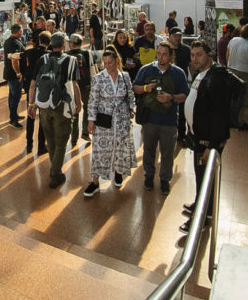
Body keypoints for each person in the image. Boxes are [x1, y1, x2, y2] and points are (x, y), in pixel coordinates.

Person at [180, 41, 233, 232]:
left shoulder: (216, 78)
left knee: (205, 179)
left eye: (199, 55)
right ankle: (200, 205)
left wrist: (212, 145)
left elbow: (220, 114)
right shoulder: (200, 73)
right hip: (199, 136)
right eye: (193, 55)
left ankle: (200, 219)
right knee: (200, 176)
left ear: (210, 55)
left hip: (208, 140)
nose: (195, 59)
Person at [27, 32, 81, 189]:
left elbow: (33, 84)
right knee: (62, 140)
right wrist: (79, 103)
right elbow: (74, 85)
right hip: (62, 106)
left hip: (44, 106)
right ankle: (55, 173)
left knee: (50, 139)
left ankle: (55, 168)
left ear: (51, 44)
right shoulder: (71, 60)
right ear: (64, 44)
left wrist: (31, 105)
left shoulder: (42, 59)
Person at [134, 42, 189, 194]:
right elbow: (135, 87)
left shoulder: (178, 73)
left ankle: (165, 179)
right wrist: (146, 88)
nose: (161, 57)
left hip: (169, 122)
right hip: (149, 120)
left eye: (165, 54)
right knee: (148, 150)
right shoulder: (146, 70)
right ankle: (149, 176)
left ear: (171, 56)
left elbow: (185, 95)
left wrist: (171, 97)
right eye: (159, 53)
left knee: (167, 152)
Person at [83, 49, 136, 197]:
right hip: (104, 120)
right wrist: (91, 120)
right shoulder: (98, 78)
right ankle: (95, 182)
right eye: (105, 63)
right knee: (100, 150)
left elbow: (130, 95)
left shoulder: (125, 76)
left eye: (110, 63)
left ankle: (118, 173)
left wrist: (131, 109)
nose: (107, 66)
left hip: (122, 119)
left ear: (117, 61)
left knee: (121, 147)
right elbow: (93, 100)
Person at [225, 23, 248, 129]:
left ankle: (232, 121)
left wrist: (230, 67)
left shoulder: (233, 40)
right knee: (246, 101)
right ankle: (243, 122)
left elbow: (227, 55)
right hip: (246, 76)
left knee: (232, 98)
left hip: (231, 72)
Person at [23, 31, 50, 155]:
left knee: (30, 115)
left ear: (39, 40)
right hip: (43, 90)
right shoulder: (49, 55)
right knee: (43, 118)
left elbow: (23, 66)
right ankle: (41, 147)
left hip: (31, 88)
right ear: (49, 42)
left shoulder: (29, 52)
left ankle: (29, 144)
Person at [66, 33, 95, 146]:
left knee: (75, 109)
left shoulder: (66, 54)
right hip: (86, 85)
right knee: (87, 107)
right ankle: (86, 132)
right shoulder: (87, 53)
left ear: (71, 43)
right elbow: (92, 68)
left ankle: (74, 137)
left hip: (72, 86)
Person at [166, 27, 191, 141]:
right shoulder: (165, 49)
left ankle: (181, 135)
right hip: (168, 83)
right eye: (175, 36)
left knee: (182, 110)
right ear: (170, 36)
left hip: (182, 83)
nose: (177, 38)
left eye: (179, 36)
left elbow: (191, 65)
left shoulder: (186, 49)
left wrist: (192, 79)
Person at [3, 24, 26, 128]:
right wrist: (18, 73)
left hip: (9, 73)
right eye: (21, 30)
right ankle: (13, 119)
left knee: (12, 96)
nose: (22, 32)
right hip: (14, 75)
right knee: (15, 97)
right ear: (19, 31)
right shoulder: (15, 43)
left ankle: (14, 115)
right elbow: (14, 60)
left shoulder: (8, 41)